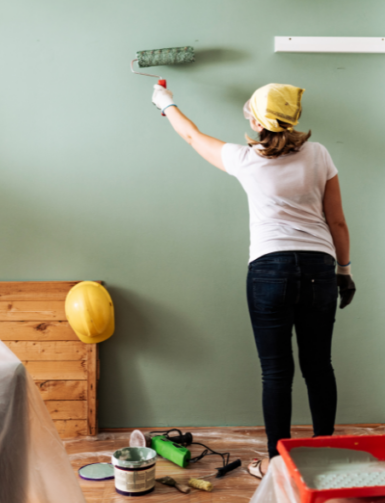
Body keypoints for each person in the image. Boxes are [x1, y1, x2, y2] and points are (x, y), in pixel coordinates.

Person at [151, 82, 356, 477]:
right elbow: (338, 221)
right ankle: (324, 456)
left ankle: (278, 464)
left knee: (276, 371)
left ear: (257, 120)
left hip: (269, 272)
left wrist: (165, 102)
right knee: (319, 366)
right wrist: (343, 272)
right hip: (319, 271)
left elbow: (192, 135)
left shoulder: (245, 159)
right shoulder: (319, 154)